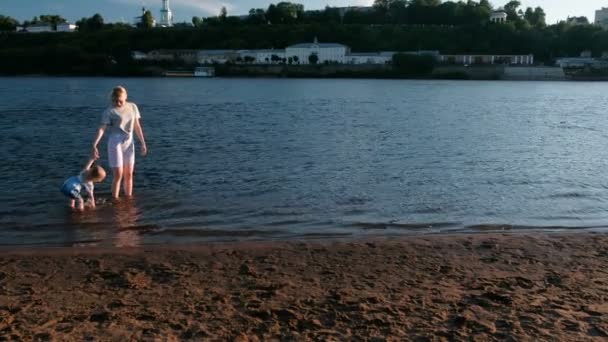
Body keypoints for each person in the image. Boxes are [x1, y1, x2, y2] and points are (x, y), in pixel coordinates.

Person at [91, 86, 147, 199]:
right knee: (118, 174)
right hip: (115, 142)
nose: (118, 103)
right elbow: (102, 128)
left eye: (120, 101)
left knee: (129, 174)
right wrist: (94, 144)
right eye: (115, 101)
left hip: (129, 142)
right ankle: (115, 200)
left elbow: (137, 125)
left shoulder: (133, 107)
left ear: (125, 97)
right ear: (111, 99)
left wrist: (142, 142)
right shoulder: (109, 111)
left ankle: (128, 197)